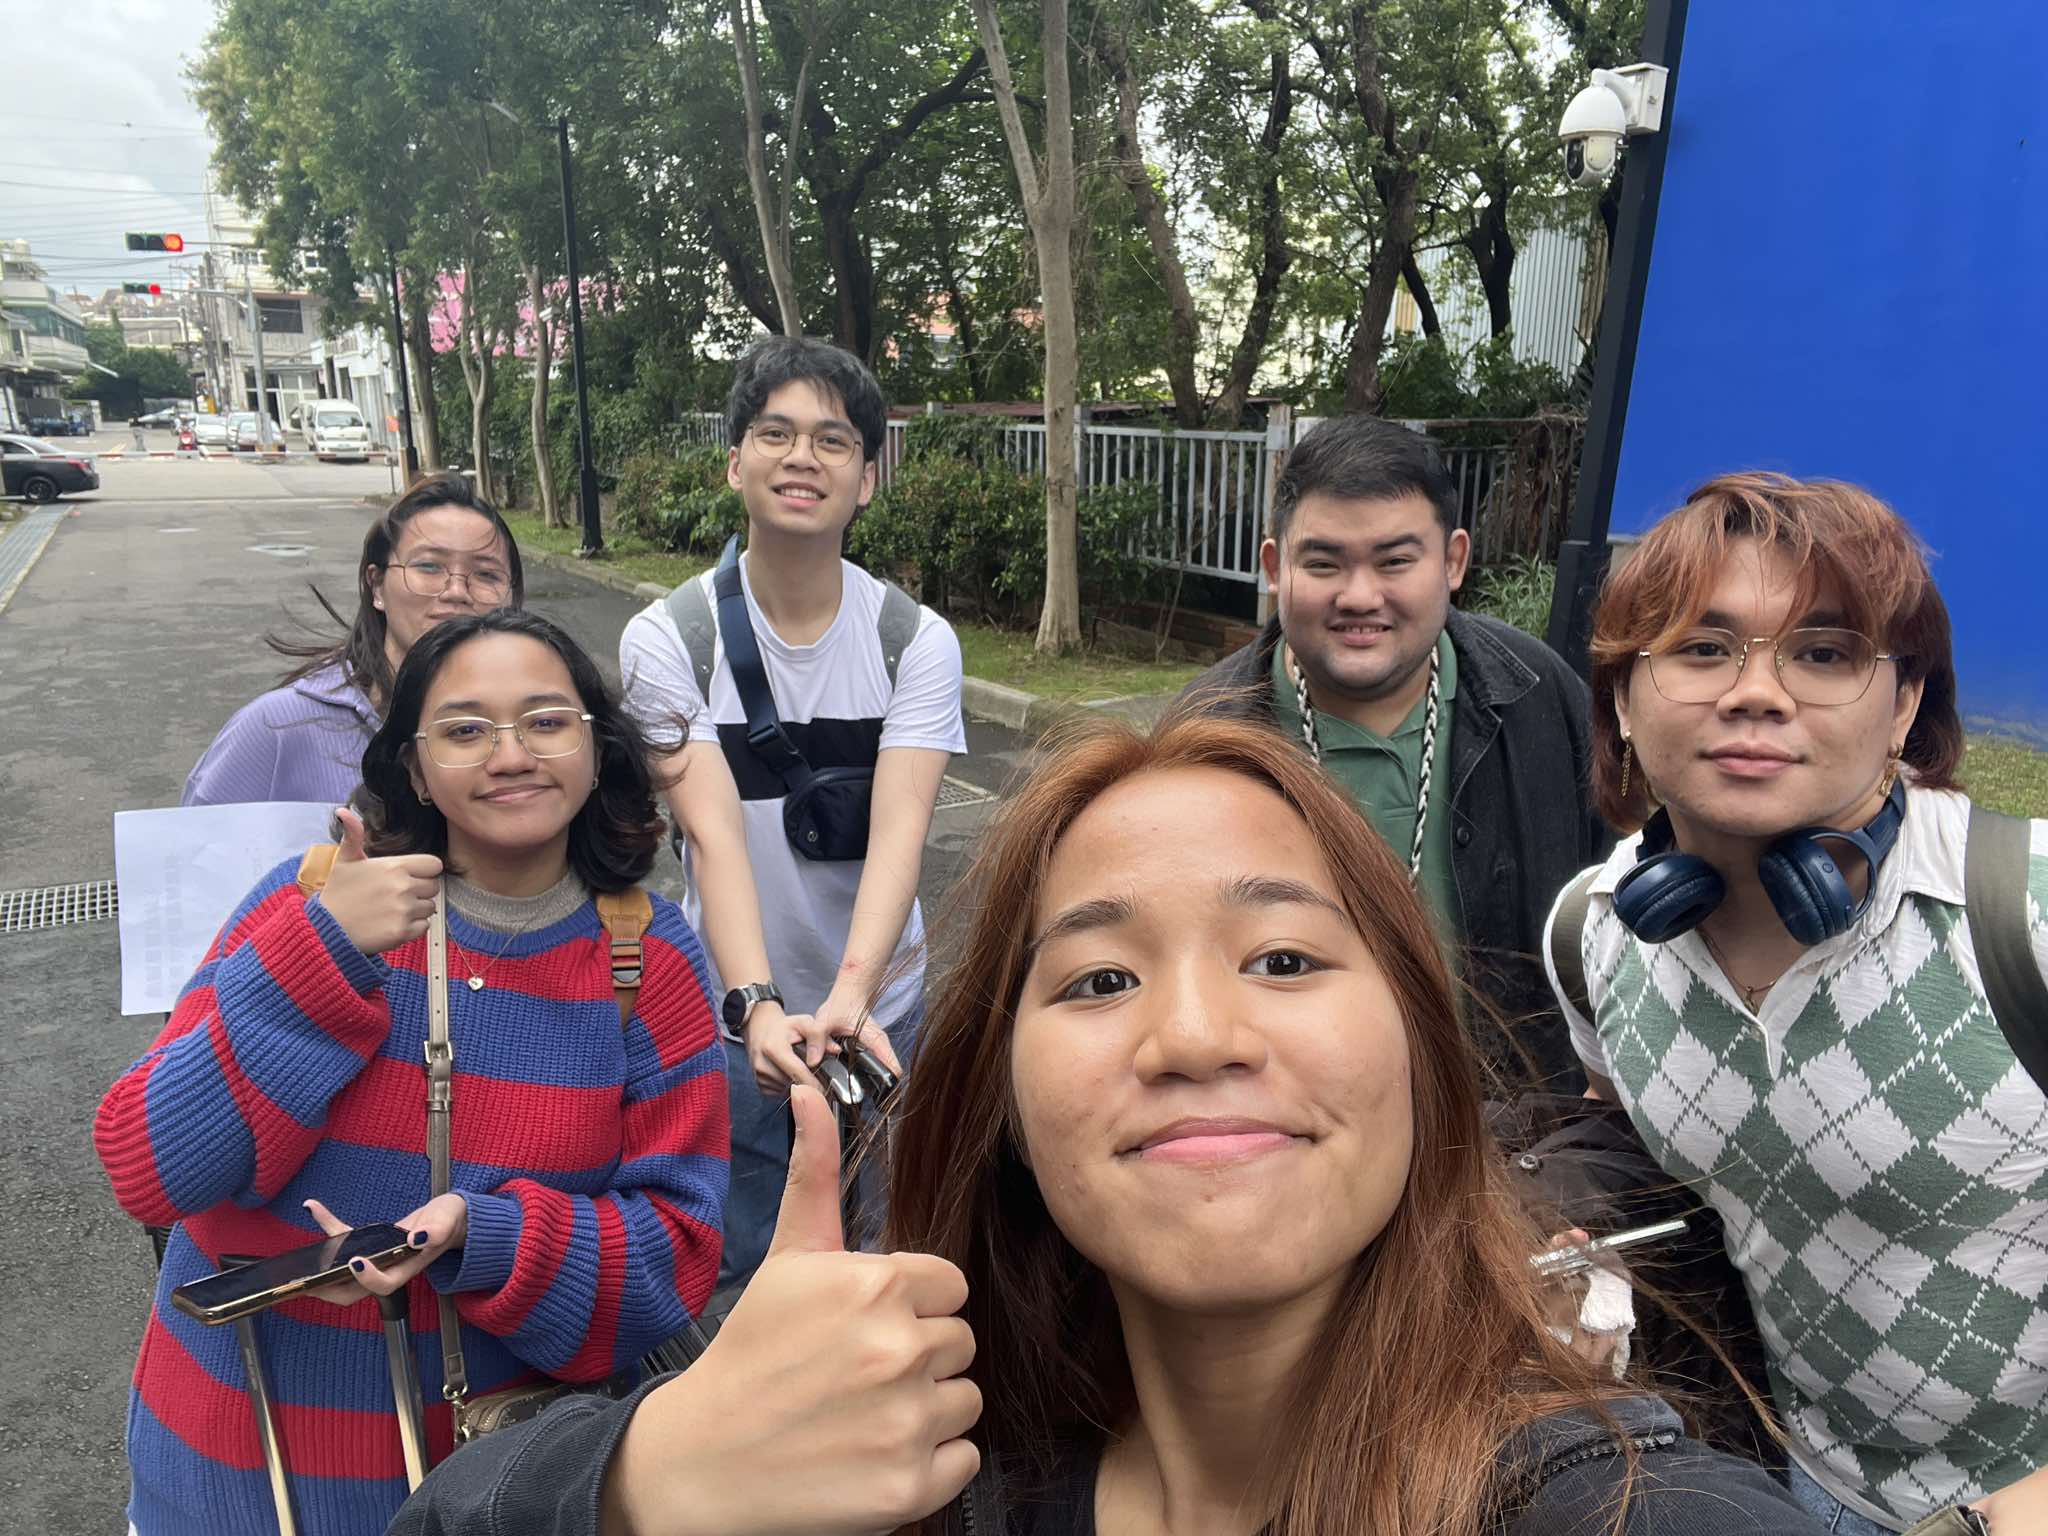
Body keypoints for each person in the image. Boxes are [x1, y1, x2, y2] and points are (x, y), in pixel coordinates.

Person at [384, 713, 1916, 1536]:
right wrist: (651, 1482)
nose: (1193, 1037)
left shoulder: (1621, 1510)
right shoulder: (903, 1476)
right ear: (1001, 1106)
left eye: (1287, 960)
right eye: (1100, 978)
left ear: (1420, 1061)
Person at [95, 610, 728, 1536]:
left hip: (492, 1485)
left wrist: (487, 1238)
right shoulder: (305, 901)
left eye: (547, 721)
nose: (511, 754)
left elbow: (674, 1259)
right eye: (465, 730)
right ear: (415, 768)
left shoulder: (647, 959)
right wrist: (322, 955)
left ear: (598, 749)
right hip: (231, 1472)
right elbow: (150, 1171)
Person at [1545, 472, 2048, 1534]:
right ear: (1621, 699)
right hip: (1793, 1480)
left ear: (1903, 703)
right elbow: (1617, 1132)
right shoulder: (1590, 933)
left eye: (1822, 654)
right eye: (1701, 648)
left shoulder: (2027, 914)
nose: (1756, 693)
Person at [618, 334, 964, 1288]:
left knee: (888, 1239)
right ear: (735, 463)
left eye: (832, 440)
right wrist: (757, 1005)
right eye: (775, 434)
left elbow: (901, 831)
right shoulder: (668, 638)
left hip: (884, 1006)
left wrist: (853, 1000)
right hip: (732, 1015)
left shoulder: (912, 641)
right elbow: (713, 836)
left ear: (867, 480)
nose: (802, 457)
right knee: (745, 1256)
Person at [1183, 414, 1607, 1085]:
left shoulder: (1539, 694)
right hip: (1289, 1110)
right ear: (1275, 568)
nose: (1360, 597)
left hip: (1516, 1117)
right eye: (1324, 563)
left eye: (1395, 562)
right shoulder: (1203, 737)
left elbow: (1610, 889)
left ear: (1453, 561)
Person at [182, 472, 524, 807]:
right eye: (429, 567)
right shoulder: (278, 727)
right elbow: (198, 841)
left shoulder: (540, 729)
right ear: (376, 585)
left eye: (486, 574)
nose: (457, 591)